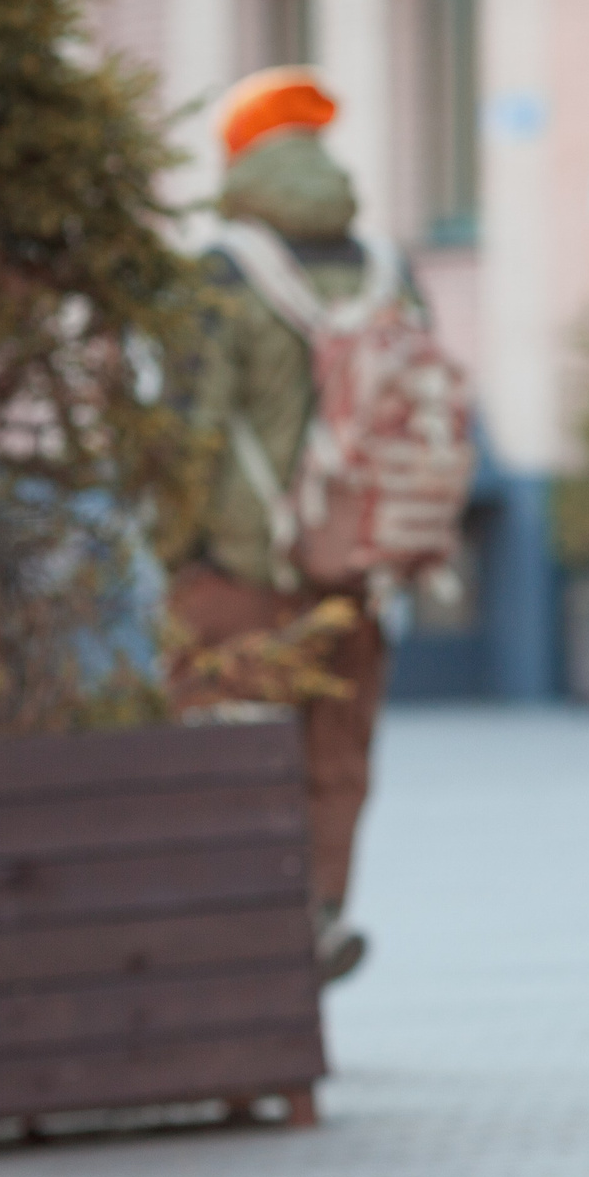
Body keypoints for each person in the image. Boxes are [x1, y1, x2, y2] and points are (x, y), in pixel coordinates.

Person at [169, 68, 401, 984]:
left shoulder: (220, 271)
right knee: (334, 765)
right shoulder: (388, 266)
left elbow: (189, 428)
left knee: (223, 763)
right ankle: (318, 921)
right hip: (361, 570)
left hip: (239, 569)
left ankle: (239, 956)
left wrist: (175, 552)